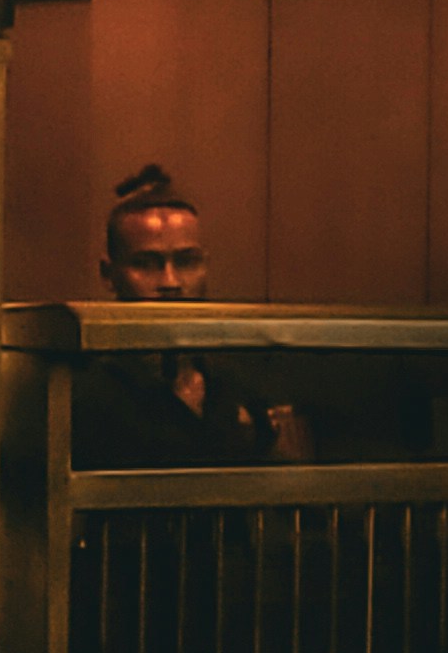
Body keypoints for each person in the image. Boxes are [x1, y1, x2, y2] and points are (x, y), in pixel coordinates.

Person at [76, 164, 295, 465]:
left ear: (206, 265)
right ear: (108, 274)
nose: (171, 283)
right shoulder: (84, 389)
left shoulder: (238, 380)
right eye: (146, 263)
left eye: (186, 262)